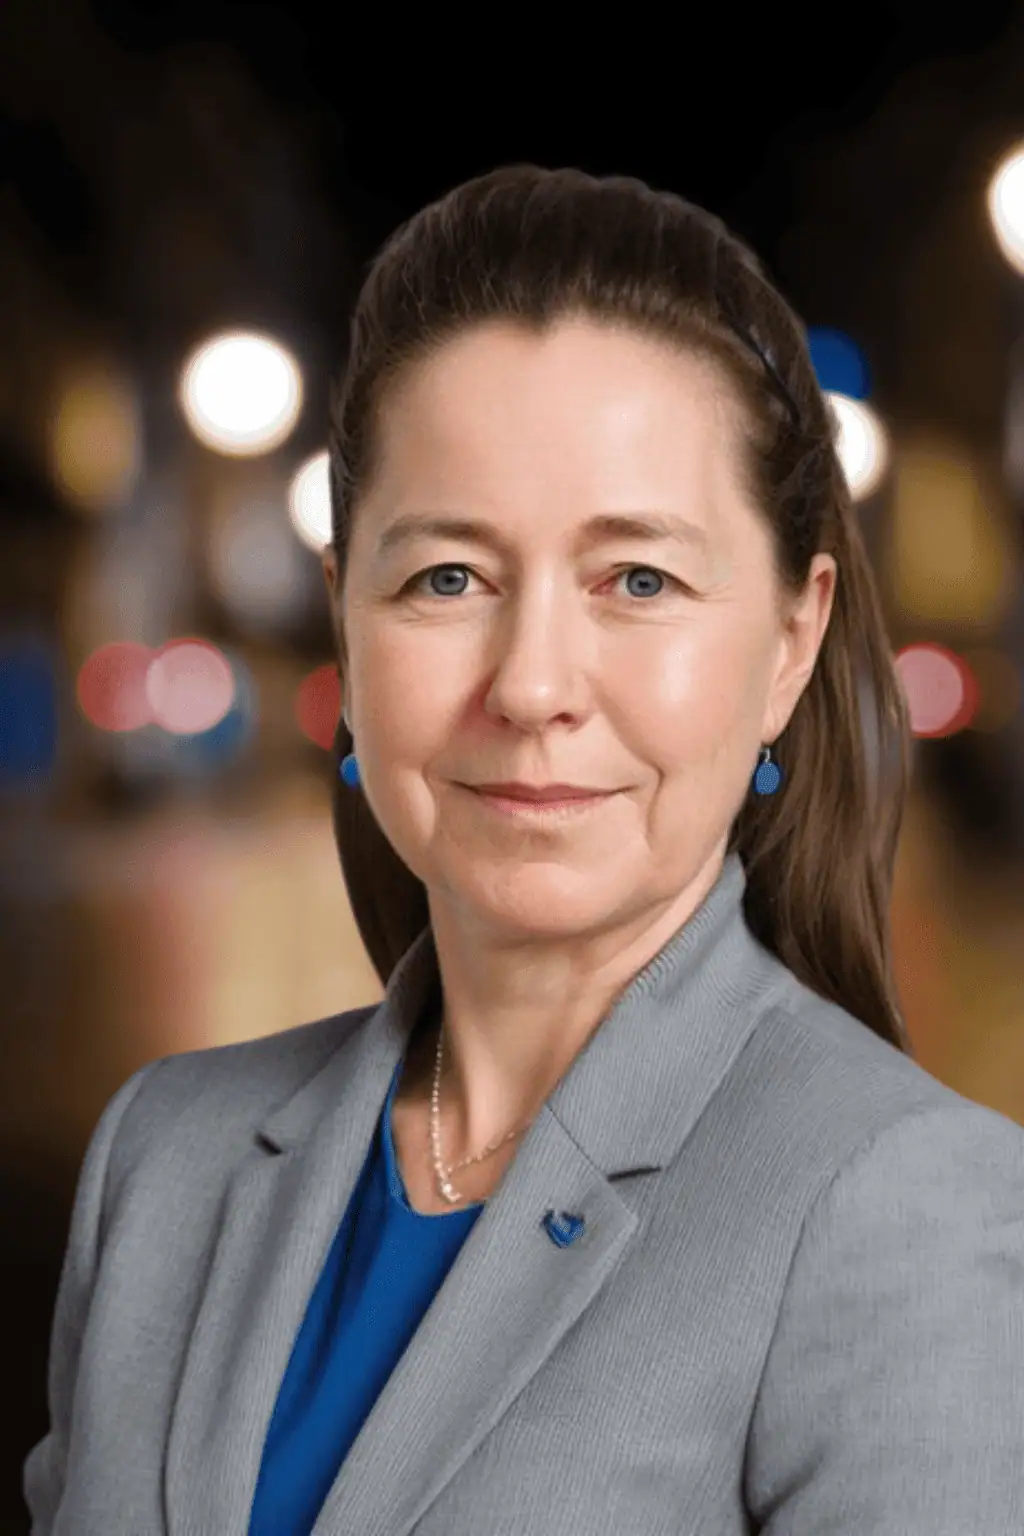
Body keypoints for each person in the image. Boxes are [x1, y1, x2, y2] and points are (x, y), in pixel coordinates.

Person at [24, 165, 1024, 1536]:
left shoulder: (896, 1207)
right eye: (448, 578)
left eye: (639, 581)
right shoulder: (164, 1159)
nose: (532, 682)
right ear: (346, 624)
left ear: (793, 640)